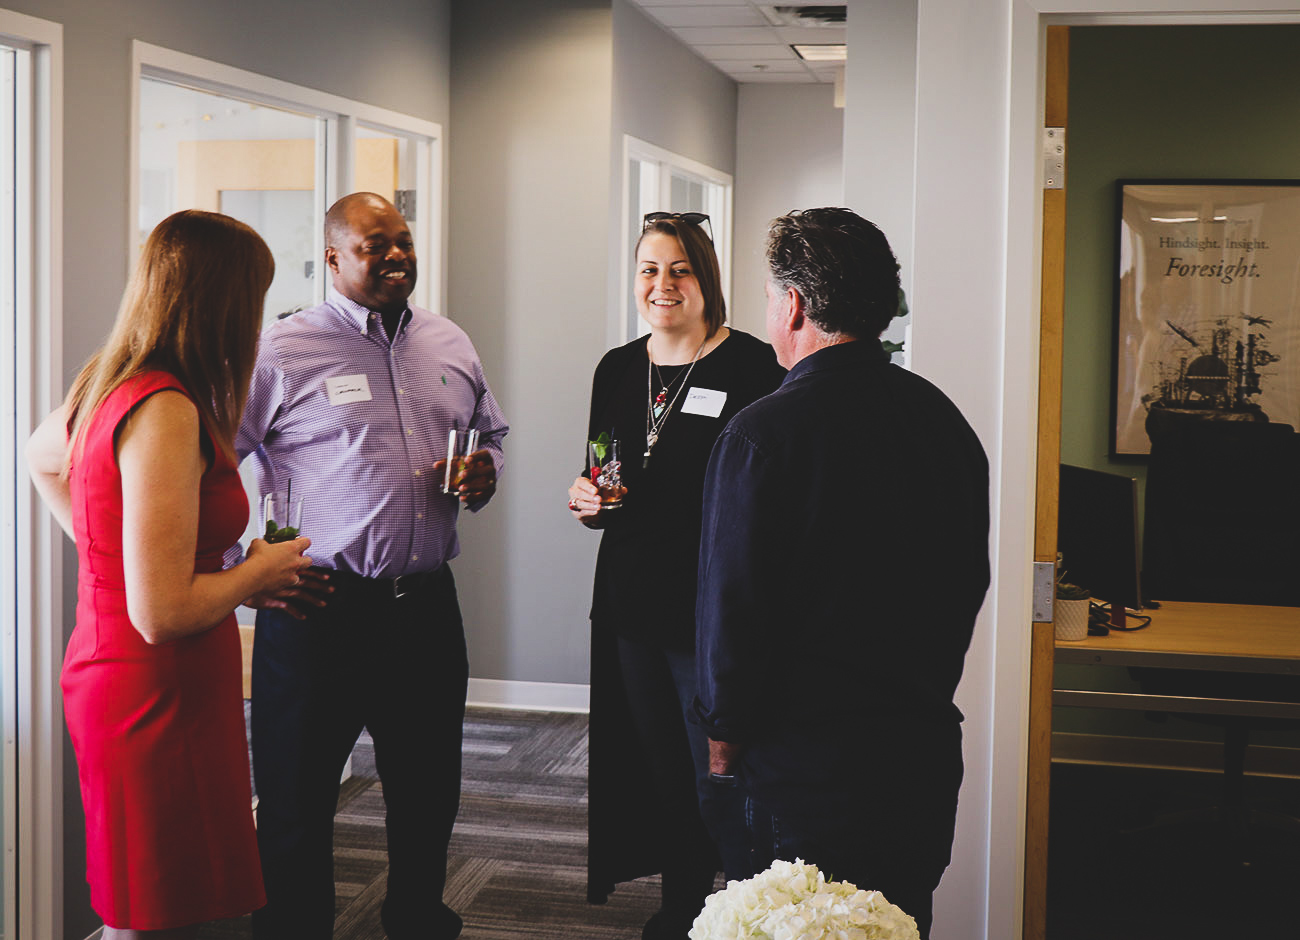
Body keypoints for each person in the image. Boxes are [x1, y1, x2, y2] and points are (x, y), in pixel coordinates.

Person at [693, 208, 990, 940]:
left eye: (770, 295)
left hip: (800, 774)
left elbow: (732, 613)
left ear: (793, 305)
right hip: (917, 759)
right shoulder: (944, 422)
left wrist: (722, 750)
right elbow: (967, 583)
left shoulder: (762, 435)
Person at [26, 210, 314, 940]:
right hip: (155, 686)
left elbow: (41, 457)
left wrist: (111, 555)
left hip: (144, 675)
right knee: (163, 908)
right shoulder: (166, 409)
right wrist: (260, 569)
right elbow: (163, 613)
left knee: (169, 897)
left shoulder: (108, 382)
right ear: (224, 301)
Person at [234, 192, 507, 940]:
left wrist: (486, 471)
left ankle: (418, 920)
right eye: (373, 245)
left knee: (427, 791)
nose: (395, 256)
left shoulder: (449, 342)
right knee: (296, 800)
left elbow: (490, 434)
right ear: (332, 258)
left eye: (403, 242)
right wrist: (240, 572)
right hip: (318, 607)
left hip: (424, 607)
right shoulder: (280, 350)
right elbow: (215, 461)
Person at [569, 211, 785, 939]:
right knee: (659, 769)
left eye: (679, 270)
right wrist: (588, 498)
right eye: (649, 270)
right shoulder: (617, 368)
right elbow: (604, 472)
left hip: (713, 613)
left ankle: (749, 910)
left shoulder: (754, 367)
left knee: (720, 774)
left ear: (705, 280)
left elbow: (773, 494)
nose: (662, 284)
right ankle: (684, 905)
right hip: (630, 605)